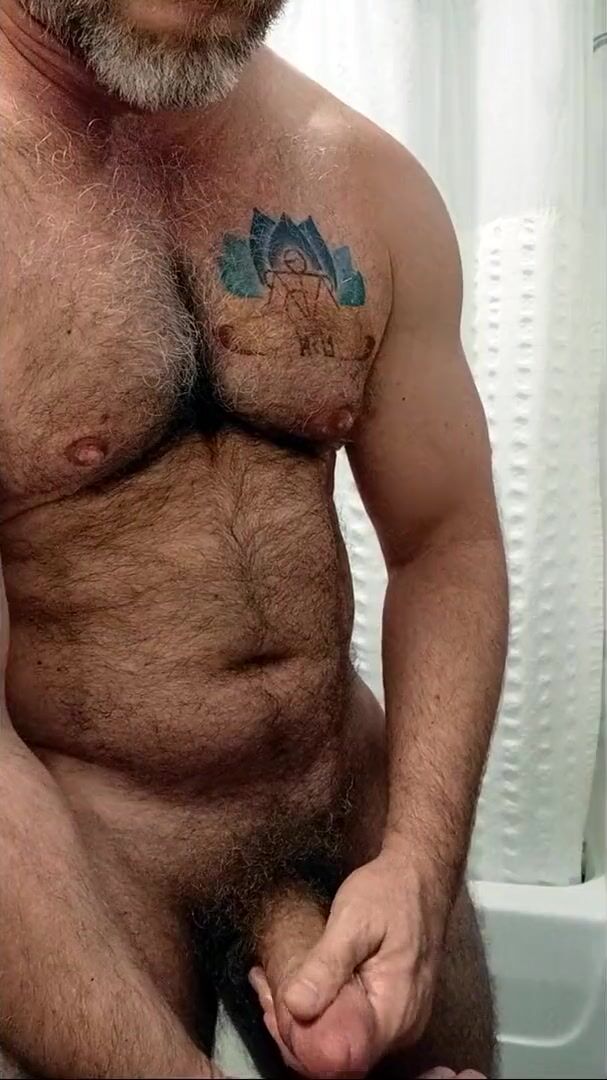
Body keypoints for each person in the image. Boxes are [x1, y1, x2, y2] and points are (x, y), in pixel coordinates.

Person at [0, 1, 508, 1077]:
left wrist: (418, 865)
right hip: (93, 851)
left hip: (351, 794)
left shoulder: (357, 175)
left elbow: (443, 543)